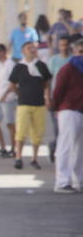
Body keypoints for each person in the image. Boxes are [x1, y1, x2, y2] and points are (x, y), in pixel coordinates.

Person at [8, 40, 52, 171]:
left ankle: (34, 158)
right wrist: (20, 94)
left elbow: (46, 83)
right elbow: (12, 85)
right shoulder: (19, 67)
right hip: (24, 103)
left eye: (33, 48)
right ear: (23, 51)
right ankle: (18, 157)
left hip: (39, 103)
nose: (32, 50)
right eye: (29, 48)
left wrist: (46, 96)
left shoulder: (41, 65)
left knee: (37, 133)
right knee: (21, 132)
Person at [52, 34, 83, 193]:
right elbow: (58, 91)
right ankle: (62, 181)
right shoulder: (68, 69)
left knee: (80, 149)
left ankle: (79, 180)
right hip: (68, 110)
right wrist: (57, 108)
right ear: (75, 51)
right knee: (66, 147)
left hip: (79, 110)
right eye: (80, 51)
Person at [0, 43, 18, 158]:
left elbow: (13, 82)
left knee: (10, 124)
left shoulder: (10, 64)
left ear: (3, 52)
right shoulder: (0, 65)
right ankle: (3, 148)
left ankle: (14, 148)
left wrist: (5, 94)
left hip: (9, 98)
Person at [49, 34, 71, 164]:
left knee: (70, 131)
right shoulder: (53, 60)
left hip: (70, 101)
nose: (64, 47)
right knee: (58, 130)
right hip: (56, 100)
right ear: (58, 46)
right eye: (62, 45)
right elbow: (47, 80)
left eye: (66, 45)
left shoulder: (73, 60)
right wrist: (47, 97)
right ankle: (54, 149)